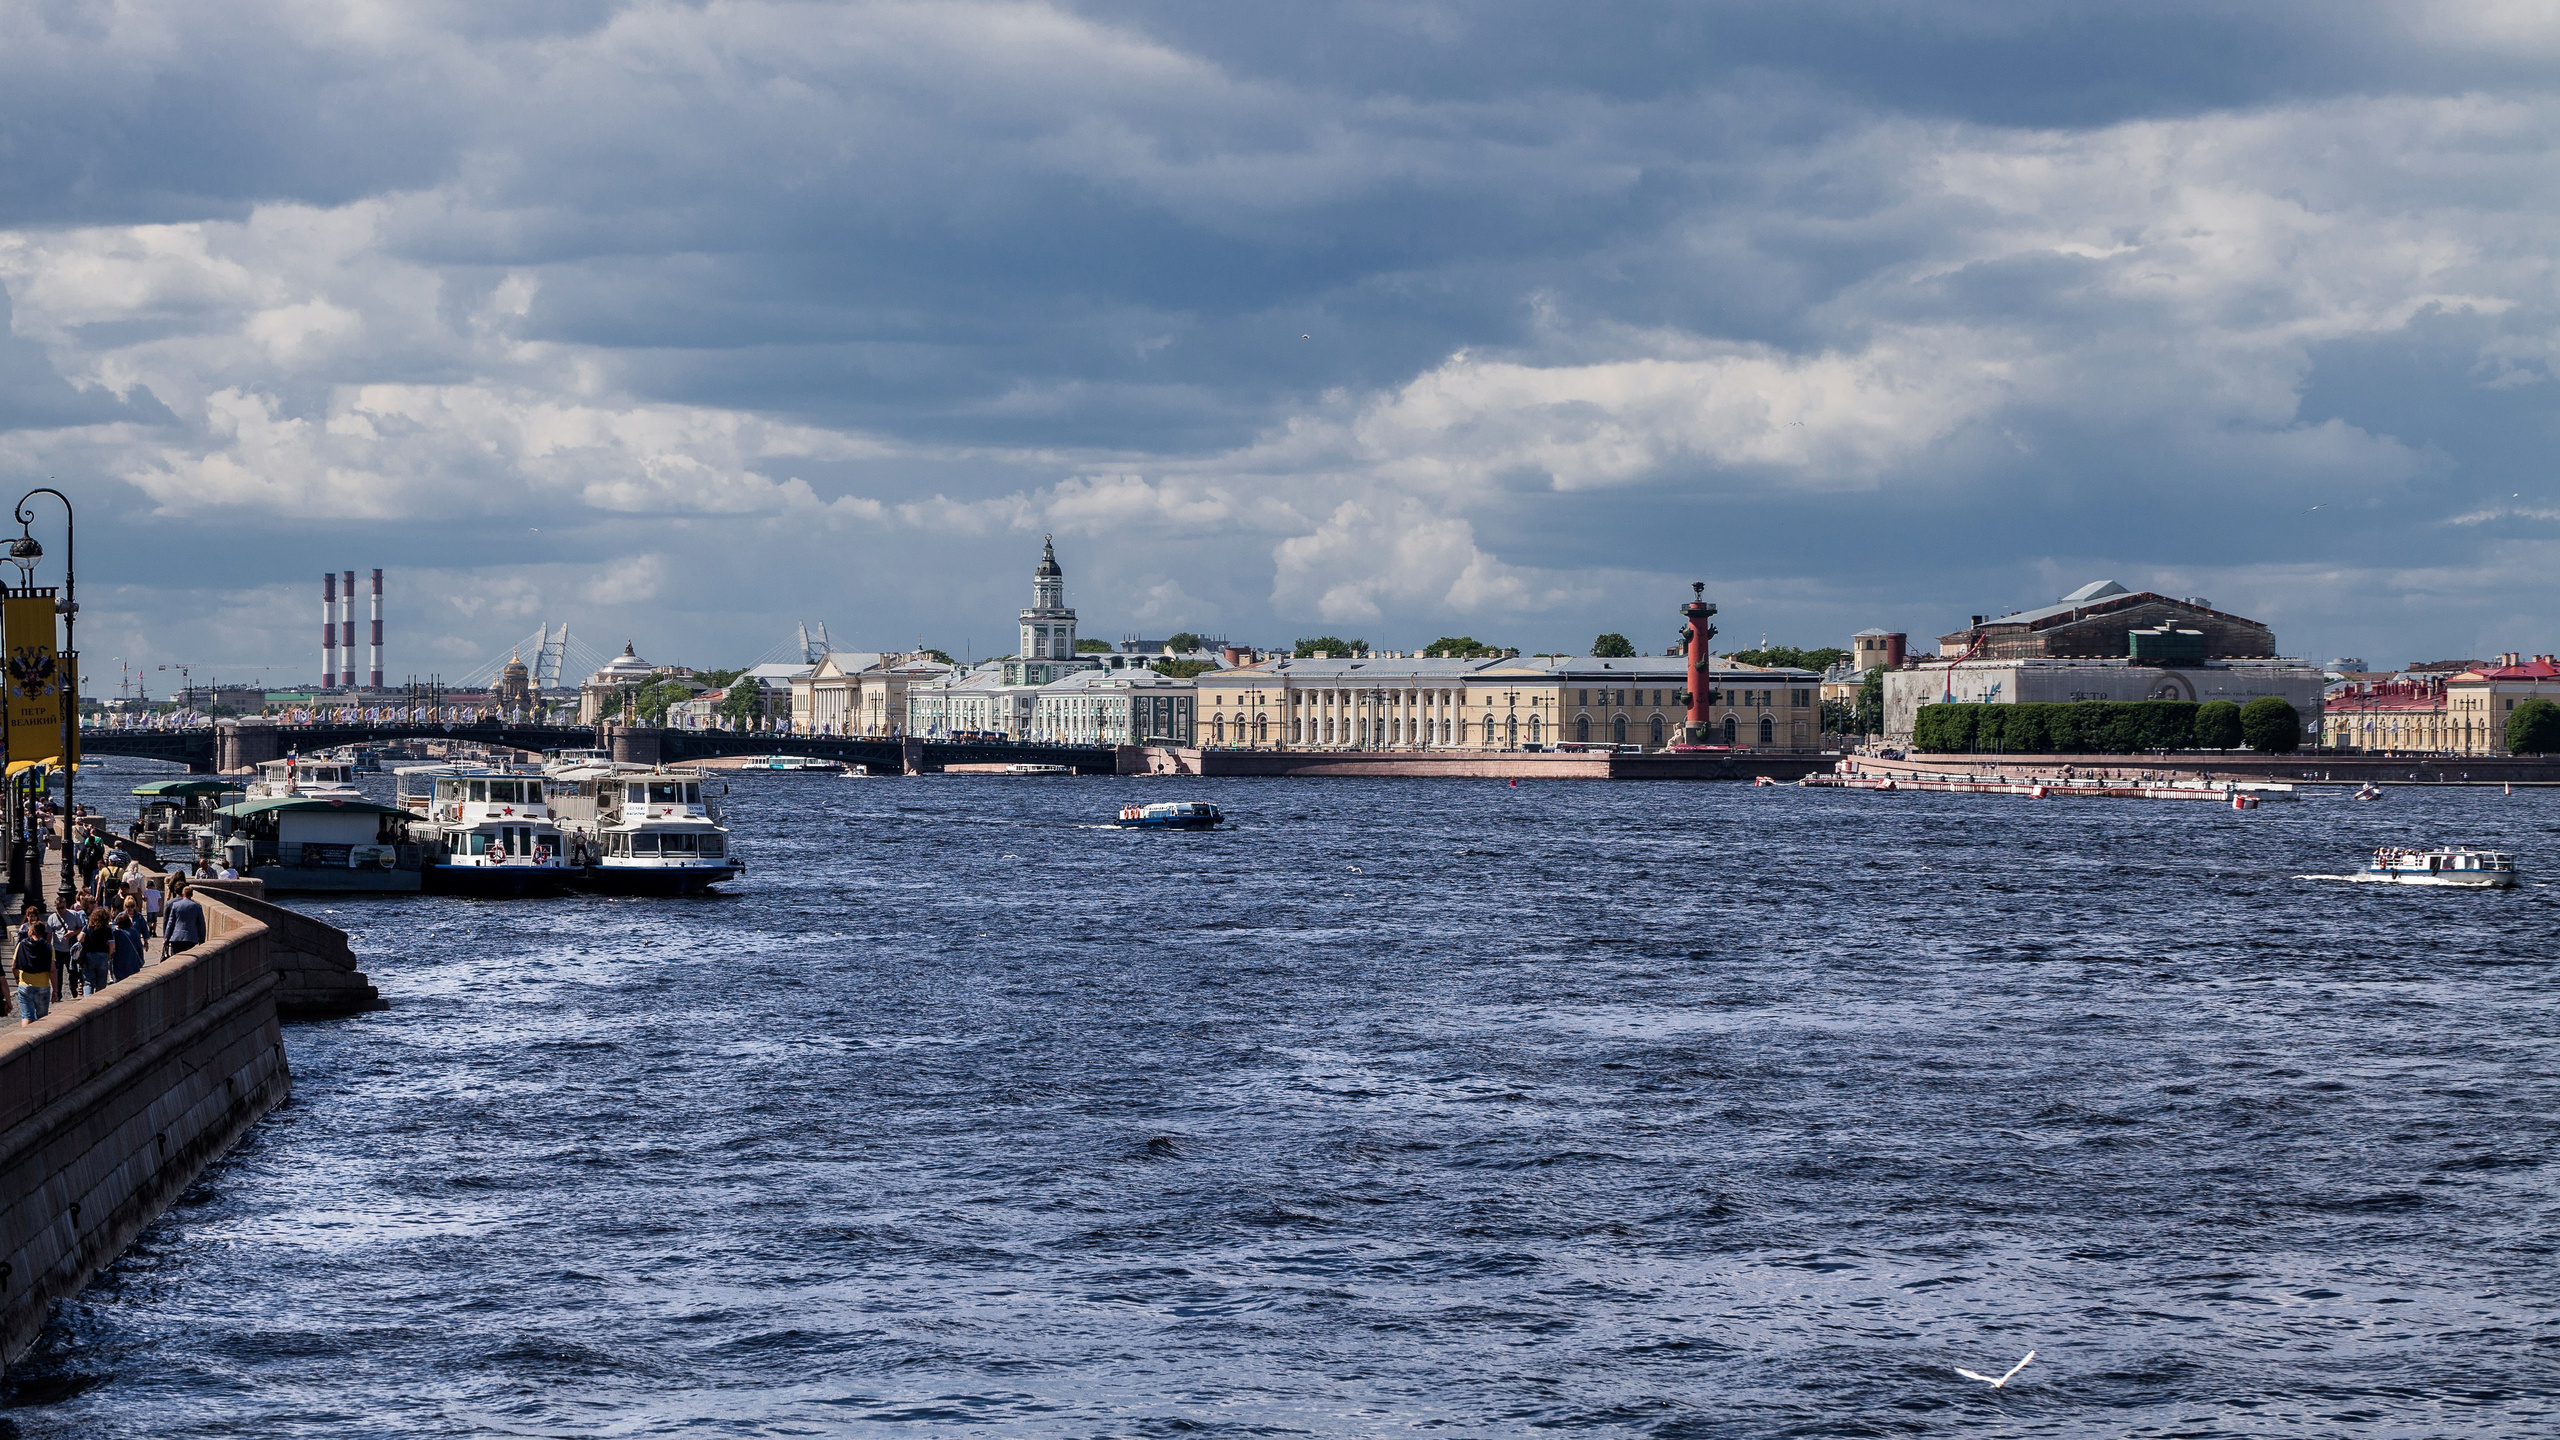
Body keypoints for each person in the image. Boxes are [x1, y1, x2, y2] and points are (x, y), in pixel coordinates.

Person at [13, 907, 52, 1025]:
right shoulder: (48, 947)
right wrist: (55, 989)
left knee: (27, 1016)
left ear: (31, 931)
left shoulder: (21, 945)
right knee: (42, 1018)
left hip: (25, 984)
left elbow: (13, 966)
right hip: (42, 984)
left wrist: (17, 978)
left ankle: (25, 1035)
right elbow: (53, 969)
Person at [163, 881, 206, 958]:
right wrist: (202, 939)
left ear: (183, 894)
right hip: (191, 939)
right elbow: (201, 924)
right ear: (192, 895)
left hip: (176, 937)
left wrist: (166, 939)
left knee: (175, 959)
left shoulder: (176, 905)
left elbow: (170, 923)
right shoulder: (197, 907)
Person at [79, 908, 113, 996]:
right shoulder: (107, 929)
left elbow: (80, 939)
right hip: (103, 956)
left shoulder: (87, 927)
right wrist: (108, 955)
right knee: (101, 983)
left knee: (88, 983)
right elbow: (112, 945)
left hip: (89, 956)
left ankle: (88, 1001)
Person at [109, 910, 144, 983]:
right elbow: (139, 947)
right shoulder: (134, 932)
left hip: (119, 962)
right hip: (133, 962)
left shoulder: (116, 933)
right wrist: (141, 958)